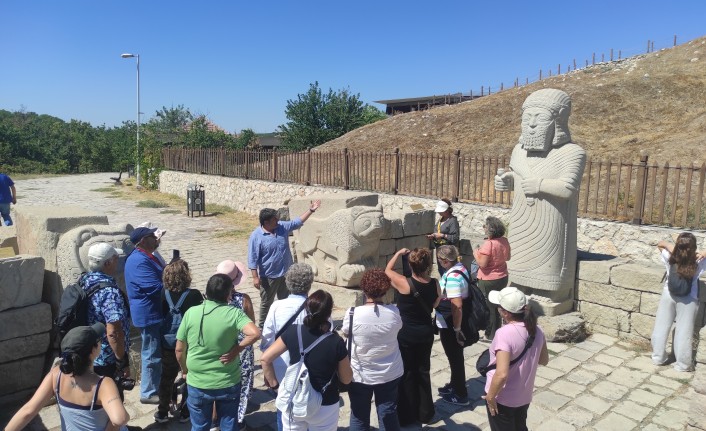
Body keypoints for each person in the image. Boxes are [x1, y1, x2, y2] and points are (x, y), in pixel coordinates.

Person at [5, 323, 130, 431]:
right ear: (93, 350)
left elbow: (28, 411)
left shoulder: (56, 375)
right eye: (98, 341)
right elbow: (119, 419)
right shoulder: (104, 384)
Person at [176, 273, 261, 431]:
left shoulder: (191, 313)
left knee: (199, 426)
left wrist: (185, 370)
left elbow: (179, 349)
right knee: (229, 424)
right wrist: (237, 350)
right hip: (228, 381)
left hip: (197, 382)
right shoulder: (234, 313)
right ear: (228, 294)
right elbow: (255, 333)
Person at [261, 290, 352, 431]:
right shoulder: (336, 341)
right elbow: (346, 379)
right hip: (325, 403)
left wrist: (275, 387)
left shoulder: (292, 331)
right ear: (329, 313)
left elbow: (265, 358)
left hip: (294, 399)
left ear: (306, 308)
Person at [385, 248, 440, 426]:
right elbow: (436, 303)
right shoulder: (435, 284)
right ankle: (425, 413)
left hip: (406, 334)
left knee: (407, 372)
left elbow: (387, 271)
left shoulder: (404, 283)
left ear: (411, 265)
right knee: (423, 371)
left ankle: (407, 415)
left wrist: (397, 253)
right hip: (425, 333)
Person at [343, 268, 403, 431]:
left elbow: (346, 332)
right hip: (389, 371)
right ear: (384, 290)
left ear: (364, 289)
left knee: (358, 415)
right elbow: (398, 328)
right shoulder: (394, 312)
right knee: (388, 413)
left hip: (360, 373)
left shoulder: (352, 314)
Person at [483, 287, 548, 431]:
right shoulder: (538, 330)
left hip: (503, 398)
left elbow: (501, 374)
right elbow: (544, 360)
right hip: (523, 395)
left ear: (505, 313)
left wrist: (490, 397)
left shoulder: (503, 334)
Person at [248, 200, 321, 329]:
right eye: (274, 219)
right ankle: (263, 326)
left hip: (286, 274)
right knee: (266, 302)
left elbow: (297, 222)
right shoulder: (256, 236)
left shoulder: (281, 226)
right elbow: (253, 258)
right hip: (269, 276)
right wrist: (255, 277)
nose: (277, 220)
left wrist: (311, 210)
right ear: (266, 222)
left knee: (286, 300)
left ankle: (285, 322)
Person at [154, 259, 203, 423]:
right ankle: (185, 411)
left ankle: (162, 411)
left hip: (167, 343)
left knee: (166, 377)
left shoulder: (162, 294)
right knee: (190, 376)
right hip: (188, 344)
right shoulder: (194, 295)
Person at [83, 242, 132, 401]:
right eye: (115, 258)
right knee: (112, 398)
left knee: (96, 398)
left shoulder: (85, 280)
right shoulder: (109, 292)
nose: (118, 261)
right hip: (106, 358)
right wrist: (122, 360)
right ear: (108, 263)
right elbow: (113, 332)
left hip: (90, 351)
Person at [652, 233, 706, 372]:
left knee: (661, 326)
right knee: (684, 331)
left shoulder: (671, 257)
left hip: (668, 294)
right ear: (693, 248)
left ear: (677, 245)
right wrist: (703, 252)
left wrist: (671, 246)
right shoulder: (699, 261)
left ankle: (658, 357)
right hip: (689, 298)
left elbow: (660, 243)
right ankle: (683, 365)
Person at [124, 226, 166, 403]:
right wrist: (174, 283)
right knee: (151, 353)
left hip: (154, 311)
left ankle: (157, 384)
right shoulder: (139, 261)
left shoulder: (147, 256)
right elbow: (154, 288)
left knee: (155, 351)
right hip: (149, 313)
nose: (156, 239)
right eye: (151, 236)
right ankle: (148, 393)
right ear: (142, 241)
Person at [216, 259, 256, 429]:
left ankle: (218, 416)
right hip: (242, 347)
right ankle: (238, 417)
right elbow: (252, 324)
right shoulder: (244, 300)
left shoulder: (212, 301)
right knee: (243, 381)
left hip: (221, 346)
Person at [435, 245, 471, 406]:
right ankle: (454, 384)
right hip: (450, 321)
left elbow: (456, 305)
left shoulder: (454, 277)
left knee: (455, 357)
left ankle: (460, 393)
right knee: (453, 356)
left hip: (452, 323)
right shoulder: (461, 268)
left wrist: (457, 329)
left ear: (443, 261)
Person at [474, 216, 510, 340]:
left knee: (489, 307)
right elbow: (508, 257)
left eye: (485, 226)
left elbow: (482, 264)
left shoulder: (488, 244)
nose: (483, 228)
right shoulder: (504, 241)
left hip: (488, 279)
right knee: (498, 305)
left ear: (490, 229)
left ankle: (490, 334)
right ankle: (498, 329)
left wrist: (476, 252)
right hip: (502, 276)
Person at [426, 199, 460, 276]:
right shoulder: (441, 219)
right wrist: (433, 236)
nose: (439, 212)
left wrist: (442, 235)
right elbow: (438, 232)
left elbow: (455, 238)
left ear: (446, 210)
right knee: (441, 271)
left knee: (448, 271)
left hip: (448, 253)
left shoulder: (452, 221)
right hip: (440, 251)